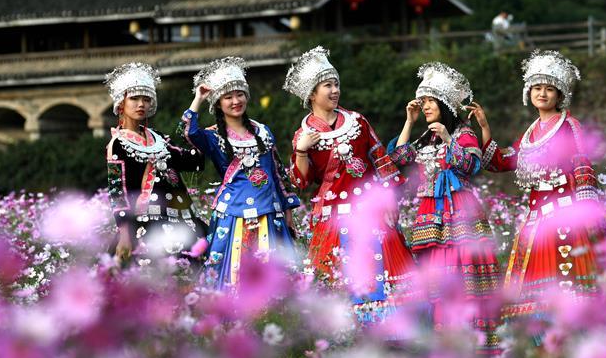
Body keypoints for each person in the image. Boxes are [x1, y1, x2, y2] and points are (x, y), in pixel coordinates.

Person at [467, 49, 599, 344]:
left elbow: (582, 166)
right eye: (537, 87)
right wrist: (485, 127)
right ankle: (543, 350)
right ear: (529, 92)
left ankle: (572, 348)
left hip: (564, 221)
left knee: (565, 289)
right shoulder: (529, 134)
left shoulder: (569, 126)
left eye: (549, 89)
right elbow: (501, 162)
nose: (542, 93)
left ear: (559, 94)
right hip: (534, 224)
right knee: (535, 299)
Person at [283, 46, 416, 324]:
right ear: (311, 94)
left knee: (380, 272)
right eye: (327, 85)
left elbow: (381, 161)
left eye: (336, 84)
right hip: (332, 216)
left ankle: (390, 332)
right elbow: (300, 182)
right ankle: (344, 335)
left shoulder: (357, 121)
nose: (334, 91)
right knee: (337, 278)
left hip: (370, 211)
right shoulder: (302, 135)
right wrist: (301, 152)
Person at [388, 62, 502, 355]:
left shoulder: (463, 134)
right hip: (430, 216)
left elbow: (471, 166)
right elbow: (399, 158)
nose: (424, 106)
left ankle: (473, 344)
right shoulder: (426, 137)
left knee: (465, 276)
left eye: (428, 101)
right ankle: (443, 345)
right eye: (422, 101)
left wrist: (450, 139)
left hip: (459, 212)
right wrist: (410, 121)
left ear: (444, 103)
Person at [180, 57, 299, 290]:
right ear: (218, 104)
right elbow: (187, 133)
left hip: (270, 211)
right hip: (233, 215)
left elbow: (277, 172)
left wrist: (288, 209)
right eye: (228, 97)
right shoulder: (213, 137)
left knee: (275, 277)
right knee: (233, 274)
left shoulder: (263, 131)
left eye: (240, 94)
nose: (236, 101)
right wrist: (198, 99)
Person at [104, 62, 207, 264]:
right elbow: (118, 191)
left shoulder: (158, 138)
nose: (141, 104)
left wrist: (197, 105)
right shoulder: (118, 144)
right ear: (121, 103)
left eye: (146, 99)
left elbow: (193, 160)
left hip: (182, 220)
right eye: (134, 98)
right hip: (146, 224)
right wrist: (124, 233)